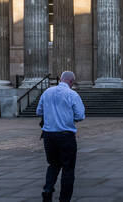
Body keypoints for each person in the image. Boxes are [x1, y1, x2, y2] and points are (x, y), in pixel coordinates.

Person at [37, 71, 86, 202]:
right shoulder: (72, 94)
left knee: (53, 165)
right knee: (68, 168)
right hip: (65, 135)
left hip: (48, 136)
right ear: (71, 82)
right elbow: (80, 115)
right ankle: (64, 199)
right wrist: (68, 117)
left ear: (61, 79)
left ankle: (47, 189)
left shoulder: (47, 92)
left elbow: (39, 111)